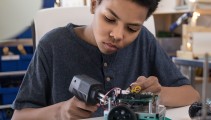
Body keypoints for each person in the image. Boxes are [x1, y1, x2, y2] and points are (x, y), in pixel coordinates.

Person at [11, 0, 200, 119]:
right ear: (94, 4)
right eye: (110, 19)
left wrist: (154, 95)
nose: (118, 35)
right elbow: (19, 116)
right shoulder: (53, 45)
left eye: (132, 29)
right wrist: (60, 112)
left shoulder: (144, 41)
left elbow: (192, 95)